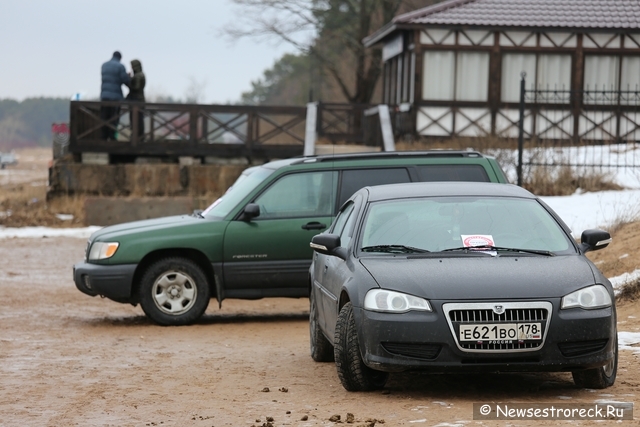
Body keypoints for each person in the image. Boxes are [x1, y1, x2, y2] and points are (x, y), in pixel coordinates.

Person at [100, 51, 130, 140]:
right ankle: (112, 137)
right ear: (120, 58)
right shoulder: (120, 66)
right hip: (115, 97)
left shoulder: (104, 65)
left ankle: (103, 137)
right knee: (114, 118)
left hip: (104, 96)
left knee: (104, 117)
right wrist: (129, 78)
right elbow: (125, 80)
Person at [126, 59, 146, 140]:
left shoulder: (138, 76)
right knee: (138, 120)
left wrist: (128, 81)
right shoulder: (140, 75)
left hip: (137, 100)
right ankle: (139, 136)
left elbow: (135, 88)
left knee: (136, 120)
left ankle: (137, 137)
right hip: (139, 100)